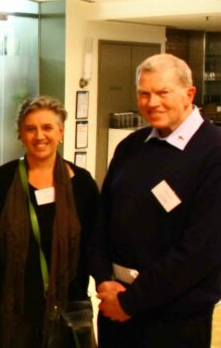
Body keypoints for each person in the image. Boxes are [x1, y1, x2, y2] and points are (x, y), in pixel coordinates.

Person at [89, 53, 221, 348]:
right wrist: (103, 279)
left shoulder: (214, 152)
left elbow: (201, 251)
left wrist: (131, 302)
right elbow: (102, 220)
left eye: (163, 92)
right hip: (115, 308)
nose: (152, 103)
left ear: (189, 94)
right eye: (144, 94)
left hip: (175, 320)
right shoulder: (130, 147)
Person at [0, 96, 99, 347]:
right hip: (13, 304)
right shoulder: (2, 180)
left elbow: (94, 240)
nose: (39, 136)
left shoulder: (83, 184)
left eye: (47, 128)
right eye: (30, 129)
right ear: (20, 134)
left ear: (60, 132)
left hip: (66, 305)